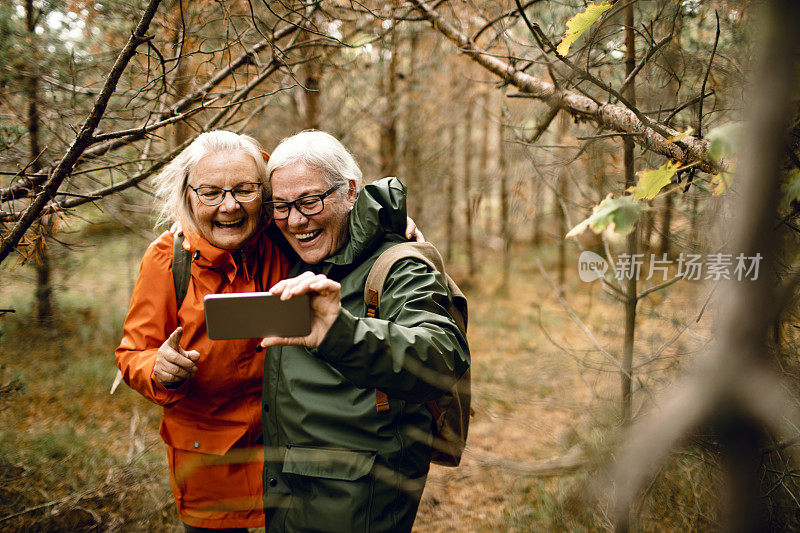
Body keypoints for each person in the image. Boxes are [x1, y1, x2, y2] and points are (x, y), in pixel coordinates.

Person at [114, 130, 417, 531]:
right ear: (188, 195)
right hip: (212, 467)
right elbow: (133, 353)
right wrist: (158, 367)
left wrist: (388, 227)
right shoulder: (167, 261)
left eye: (244, 189)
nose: (229, 206)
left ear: (264, 192)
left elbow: (329, 208)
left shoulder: (284, 237)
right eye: (211, 192)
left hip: (296, 463)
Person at [258, 130, 470, 532]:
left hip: (362, 495)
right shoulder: (286, 249)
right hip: (286, 488)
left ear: (351, 191)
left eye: (310, 201)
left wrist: (340, 331)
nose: (296, 219)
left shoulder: (400, 264)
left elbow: (441, 354)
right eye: (281, 206)